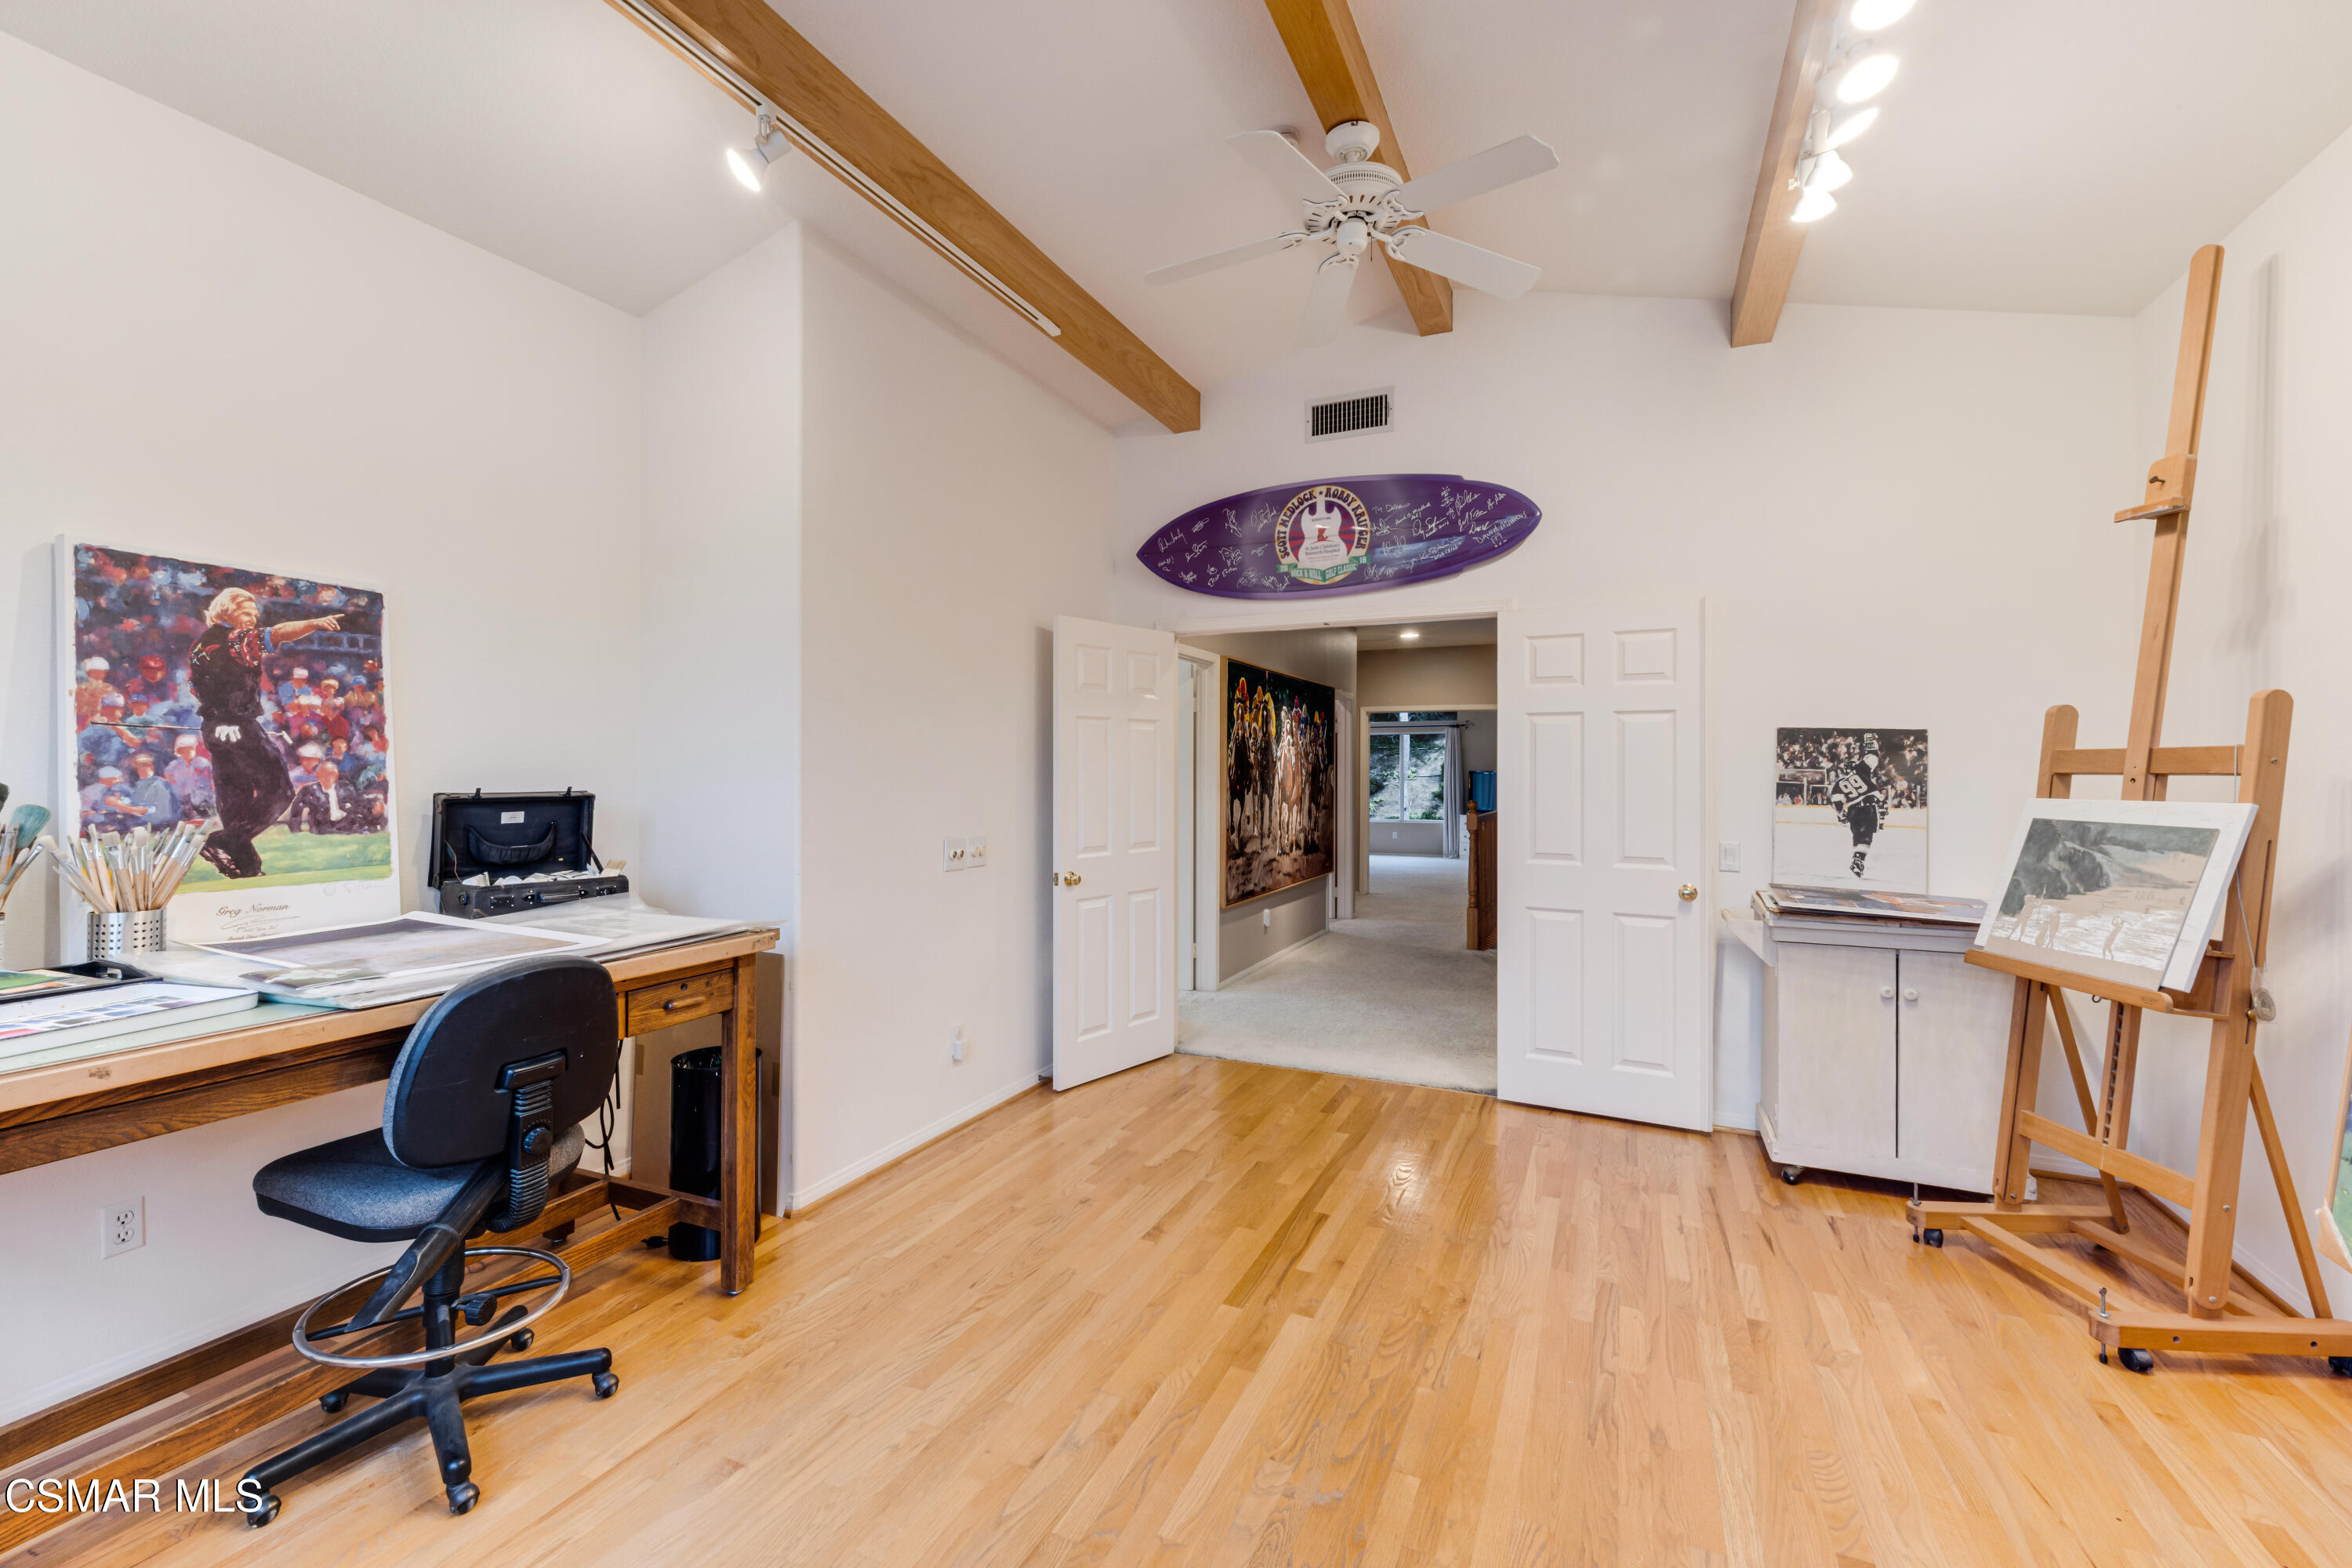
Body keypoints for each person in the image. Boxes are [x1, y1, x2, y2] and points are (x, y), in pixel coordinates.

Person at [189, 586, 342, 879]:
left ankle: (245, 869)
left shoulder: (200, 644)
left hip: (214, 727)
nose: (252, 619)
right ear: (226, 611)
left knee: (235, 798)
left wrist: (217, 718)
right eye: (246, 613)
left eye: (254, 614)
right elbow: (279, 633)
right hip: (237, 725)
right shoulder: (236, 638)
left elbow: (197, 687)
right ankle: (221, 842)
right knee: (280, 791)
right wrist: (313, 624)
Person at [1829, 732, 1887, 880]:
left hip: (1853, 811)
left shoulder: (1839, 784)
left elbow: (1837, 804)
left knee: (1858, 837)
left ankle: (1857, 860)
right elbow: (1873, 756)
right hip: (1868, 808)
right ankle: (1858, 860)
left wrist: (1842, 818)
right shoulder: (1861, 769)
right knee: (1866, 838)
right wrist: (1870, 740)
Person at [290, 760, 364, 835]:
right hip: (322, 828)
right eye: (324, 773)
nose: (328, 777)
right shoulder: (309, 790)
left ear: (336, 775)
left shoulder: (346, 787)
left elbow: (356, 806)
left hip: (345, 825)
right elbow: (296, 809)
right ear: (317, 775)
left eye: (331, 774)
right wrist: (296, 829)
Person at [165, 733, 216, 819]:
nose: (190, 751)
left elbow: (211, 782)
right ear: (180, 751)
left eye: (192, 748)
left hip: (203, 798)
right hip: (183, 800)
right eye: (187, 749)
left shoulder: (203, 763)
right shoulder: (173, 766)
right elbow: (171, 782)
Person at [123, 752, 178, 829]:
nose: (142, 769)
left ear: (152, 767)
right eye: (139, 767)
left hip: (158, 824)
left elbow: (162, 811)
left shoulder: (159, 785)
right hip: (141, 822)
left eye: (145, 766)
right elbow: (134, 801)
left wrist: (143, 810)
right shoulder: (139, 785)